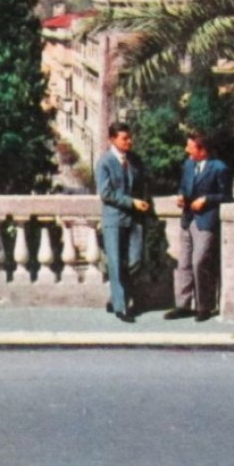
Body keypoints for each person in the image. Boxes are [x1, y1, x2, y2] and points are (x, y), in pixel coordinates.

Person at [168, 130, 230, 323]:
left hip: (205, 221)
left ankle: (204, 306)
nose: (187, 150)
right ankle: (183, 305)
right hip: (187, 219)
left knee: (200, 262)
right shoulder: (188, 165)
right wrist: (180, 196)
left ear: (202, 151)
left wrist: (206, 200)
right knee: (184, 263)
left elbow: (226, 196)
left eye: (190, 146)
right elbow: (184, 186)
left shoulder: (219, 168)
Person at [95, 121, 152, 323]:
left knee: (135, 260)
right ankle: (121, 307)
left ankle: (115, 298)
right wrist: (131, 202)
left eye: (130, 137)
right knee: (116, 263)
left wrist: (144, 204)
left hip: (135, 220)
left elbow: (143, 184)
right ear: (112, 139)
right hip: (114, 219)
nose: (129, 141)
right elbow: (106, 193)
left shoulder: (135, 160)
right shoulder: (104, 162)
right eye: (124, 138)